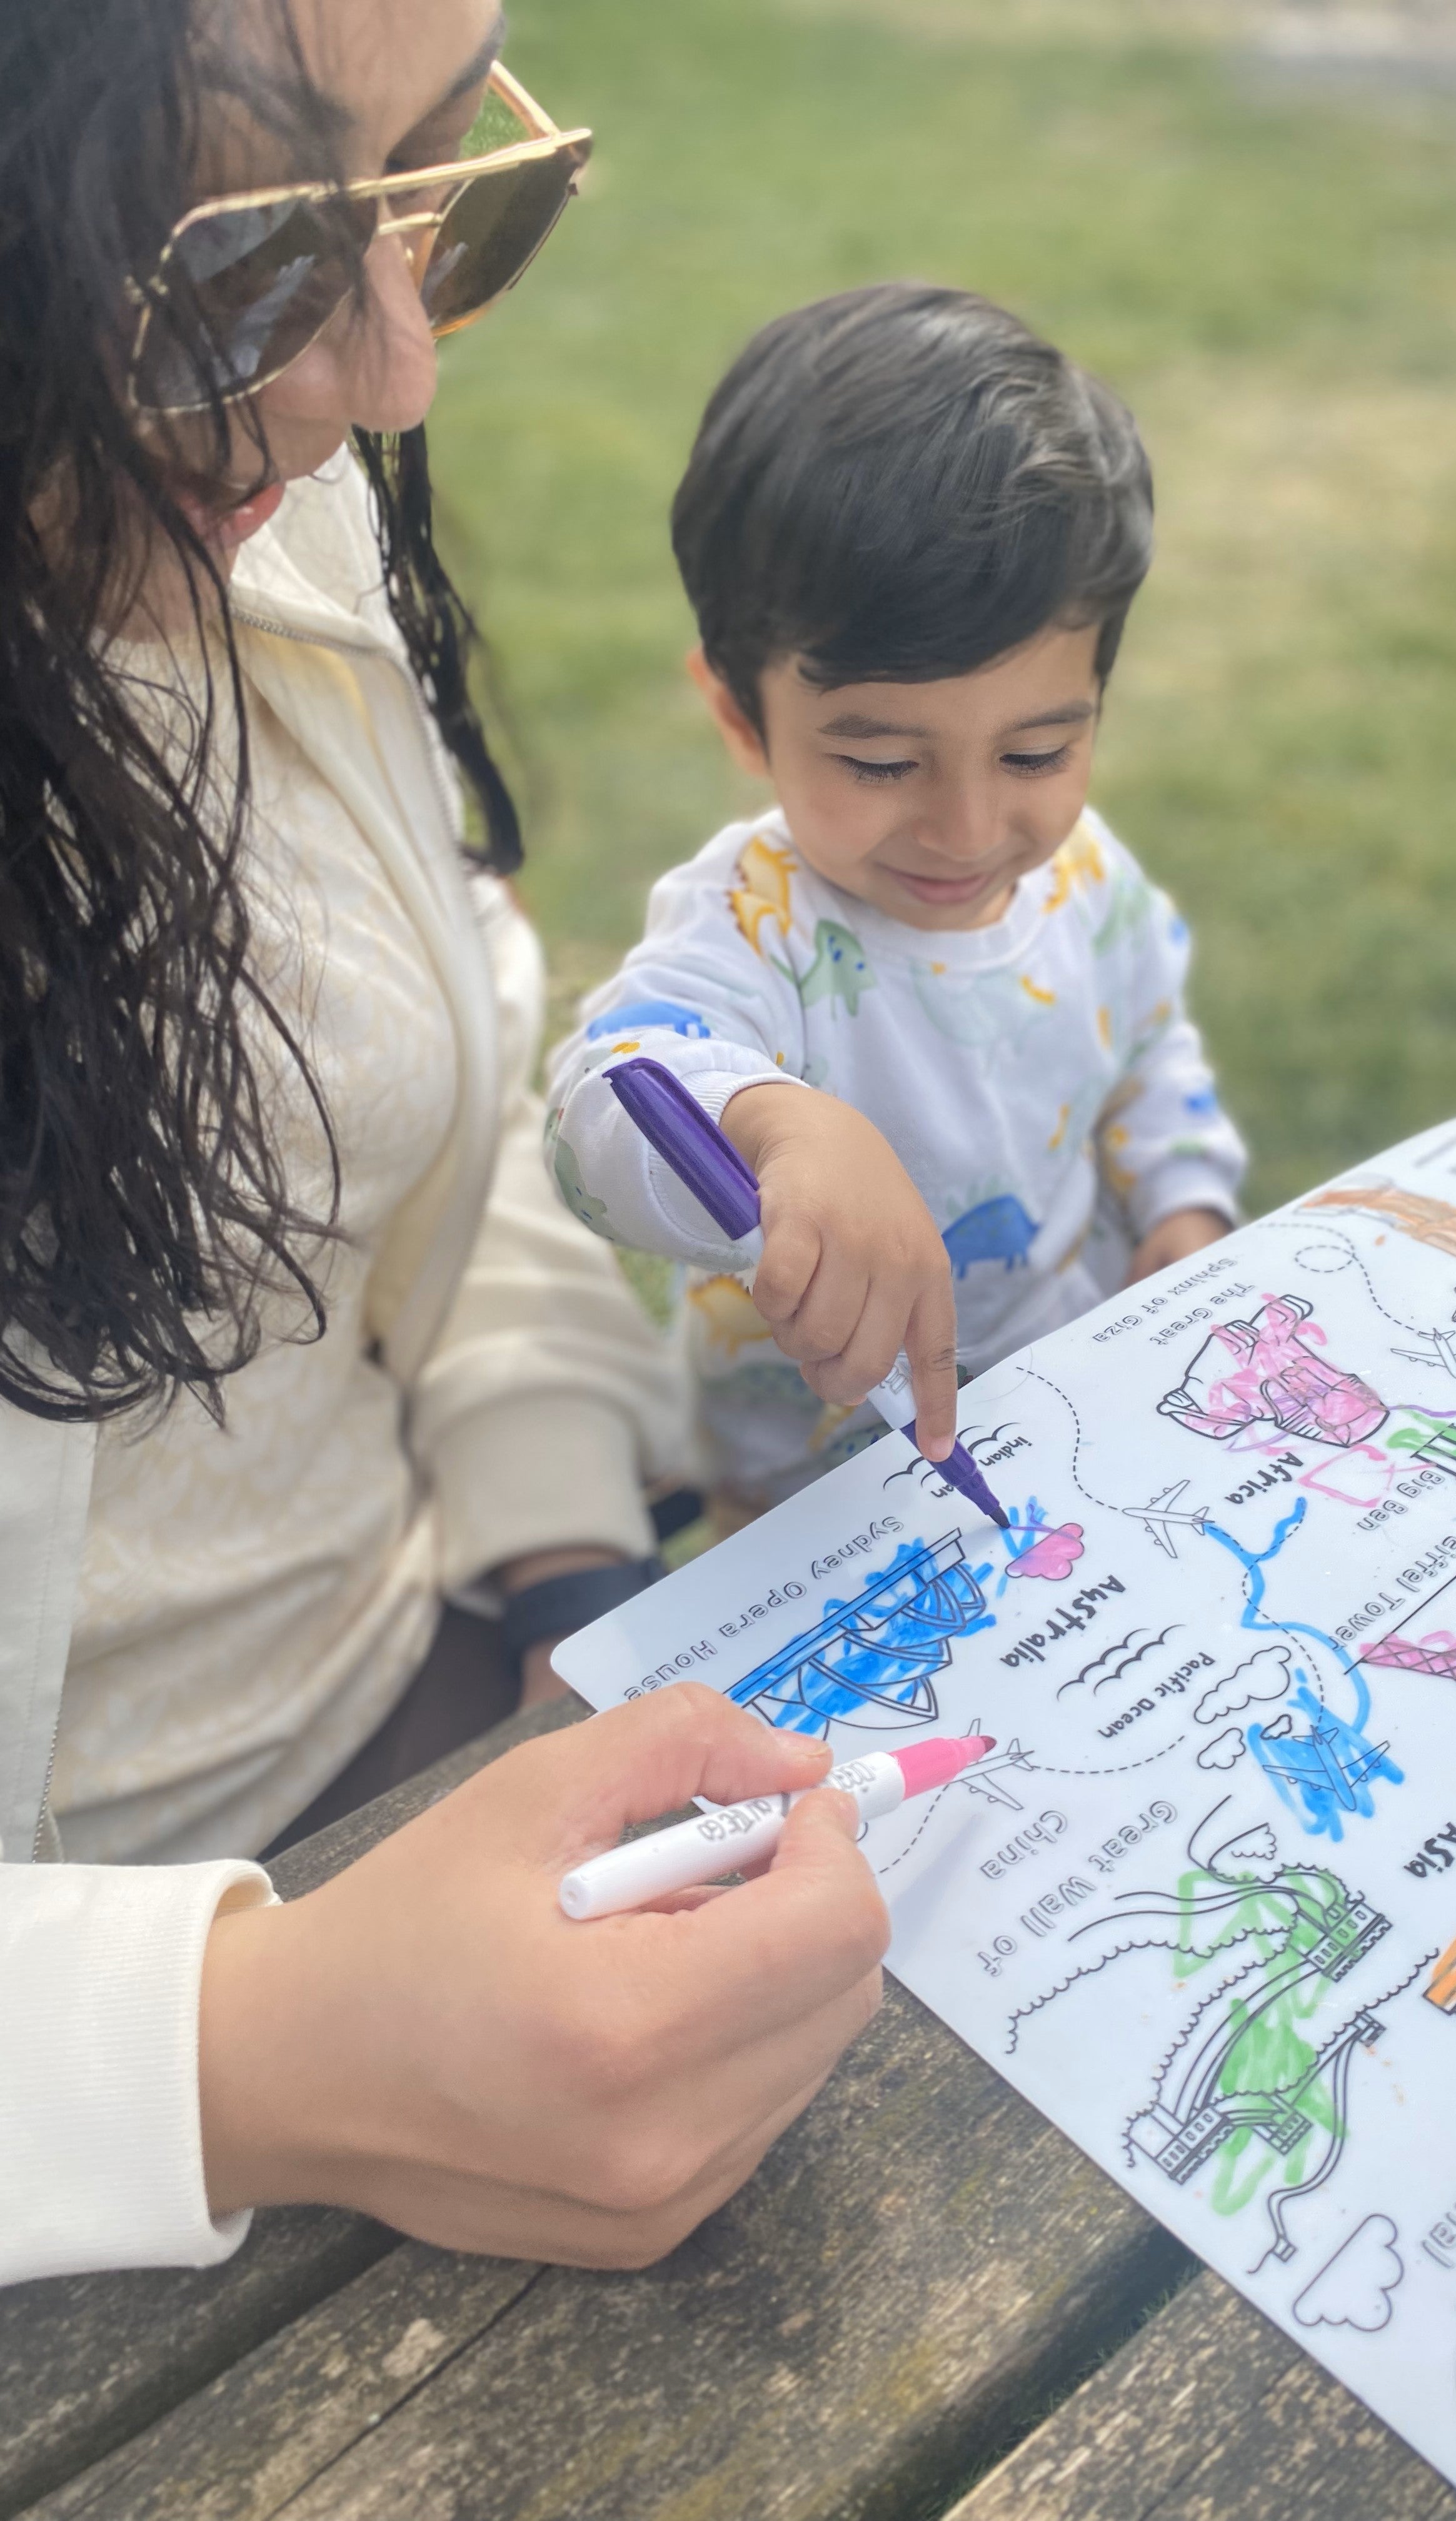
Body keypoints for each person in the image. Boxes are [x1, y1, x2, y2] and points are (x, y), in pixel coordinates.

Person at [0, 0, 888, 2287]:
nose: (392, 375)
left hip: (454, 1726)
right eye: (235, 254)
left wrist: (563, 1581)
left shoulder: (231, 506)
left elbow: (449, 1096)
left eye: (438, 190)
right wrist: (236, 2048)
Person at [545, 286, 1247, 1517]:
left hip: (1073, 1413)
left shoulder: (1090, 887)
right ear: (737, 712)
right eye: (880, 763)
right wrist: (772, 1123)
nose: (969, 829)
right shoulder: (754, 927)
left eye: (1035, 756)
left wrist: (1183, 1211)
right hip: (806, 1501)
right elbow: (602, 1108)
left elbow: (1149, 1056)